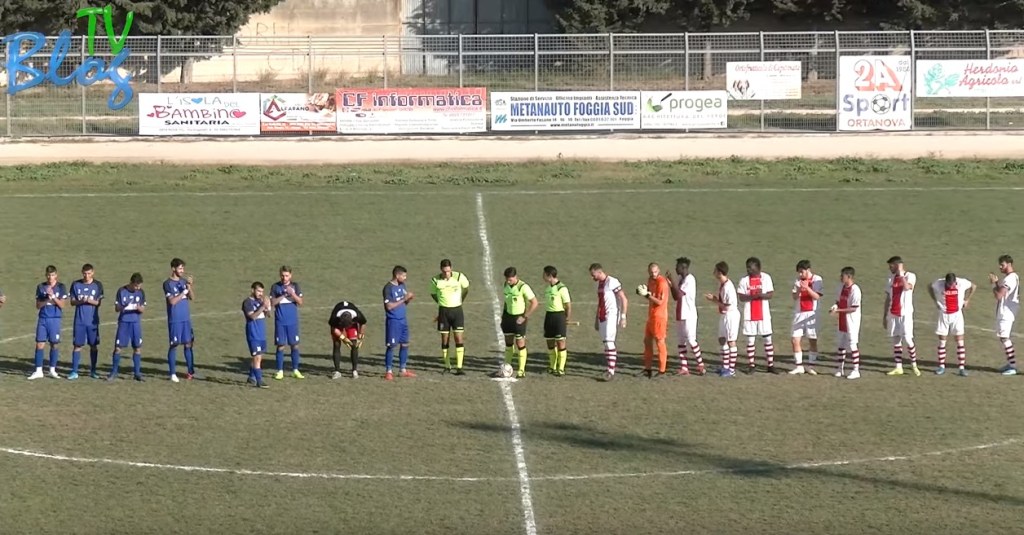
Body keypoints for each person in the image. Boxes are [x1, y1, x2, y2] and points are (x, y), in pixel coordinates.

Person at [929, 273, 976, 376]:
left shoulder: (961, 283)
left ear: (955, 282)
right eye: (949, 285)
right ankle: (941, 366)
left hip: (957, 315)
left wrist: (967, 300)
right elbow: (930, 286)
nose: (951, 287)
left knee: (960, 341)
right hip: (944, 315)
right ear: (945, 282)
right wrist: (935, 301)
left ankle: (961, 368)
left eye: (952, 285)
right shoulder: (939, 283)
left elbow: (973, 286)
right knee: (942, 342)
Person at [736, 257, 777, 373]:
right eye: (747, 267)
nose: (748, 270)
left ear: (758, 267)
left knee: (768, 339)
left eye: (751, 267)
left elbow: (770, 294)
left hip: (764, 315)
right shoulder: (744, 280)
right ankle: (751, 365)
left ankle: (770, 365)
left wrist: (760, 295)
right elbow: (741, 297)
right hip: (749, 315)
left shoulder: (766, 278)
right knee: (750, 341)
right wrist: (752, 296)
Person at [666, 257, 704, 376]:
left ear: (683, 267)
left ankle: (701, 364)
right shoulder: (680, 279)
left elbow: (679, 294)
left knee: (691, 340)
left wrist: (672, 281)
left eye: (677, 266)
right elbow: (675, 297)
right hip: (680, 313)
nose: (675, 268)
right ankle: (684, 367)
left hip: (689, 314)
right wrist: (671, 284)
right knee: (681, 341)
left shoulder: (690, 279)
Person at [430, 259, 469, 375]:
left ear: (451, 268)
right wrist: (441, 303)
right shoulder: (435, 281)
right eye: (444, 271)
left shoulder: (459, 277)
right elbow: (433, 293)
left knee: (459, 338)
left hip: (457, 311)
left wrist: (461, 300)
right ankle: (447, 366)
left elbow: (466, 289)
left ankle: (459, 367)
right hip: (444, 312)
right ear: (441, 270)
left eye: (448, 271)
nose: (446, 274)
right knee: (445, 339)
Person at [28, 265, 68, 380]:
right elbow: (38, 305)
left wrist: (53, 297)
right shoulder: (41, 287)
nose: (50, 277)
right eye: (49, 275)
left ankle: (52, 370)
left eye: (52, 275)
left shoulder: (61, 287)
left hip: (55, 319)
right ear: (46, 275)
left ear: (56, 275)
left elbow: (62, 305)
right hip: (43, 319)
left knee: (54, 344)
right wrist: (46, 299)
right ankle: (38, 371)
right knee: (39, 344)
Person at [590, 263, 628, 381]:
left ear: (599, 272)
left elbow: (624, 299)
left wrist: (623, 316)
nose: (592, 277)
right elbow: (600, 302)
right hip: (602, 316)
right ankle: (609, 368)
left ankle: (611, 371)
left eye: (593, 274)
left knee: (609, 342)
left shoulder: (612, 282)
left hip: (611, 315)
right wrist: (596, 318)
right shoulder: (600, 284)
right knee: (606, 343)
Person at [883, 256, 919, 376]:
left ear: (898, 265)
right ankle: (898, 367)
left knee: (908, 339)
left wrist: (901, 274)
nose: (890, 268)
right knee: (896, 340)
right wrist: (885, 315)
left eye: (891, 265)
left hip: (905, 313)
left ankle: (914, 364)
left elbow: (907, 287)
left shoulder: (910, 276)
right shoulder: (890, 278)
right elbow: (888, 298)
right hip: (893, 313)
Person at [109, 272, 146, 382]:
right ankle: (114, 372)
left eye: (139, 286)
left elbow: (143, 309)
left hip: (135, 323)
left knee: (137, 347)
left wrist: (138, 308)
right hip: (124, 322)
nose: (138, 288)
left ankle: (137, 373)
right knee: (118, 348)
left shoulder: (141, 292)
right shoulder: (122, 291)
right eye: (136, 286)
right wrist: (124, 306)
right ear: (131, 283)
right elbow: (116, 308)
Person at [501, 267, 538, 378]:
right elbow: (507, 302)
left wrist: (524, 316)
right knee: (508, 342)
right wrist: (504, 316)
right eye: (507, 279)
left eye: (510, 279)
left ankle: (521, 370)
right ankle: (507, 366)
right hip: (508, 317)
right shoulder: (506, 285)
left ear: (515, 277)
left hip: (519, 318)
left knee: (520, 343)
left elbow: (534, 303)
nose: (508, 281)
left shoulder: (523, 287)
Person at [705, 261, 740, 377]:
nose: (713, 273)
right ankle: (725, 366)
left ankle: (731, 370)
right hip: (724, 315)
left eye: (715, 271)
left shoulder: (728, 287)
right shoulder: (722, 284)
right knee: (722, 339)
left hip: (731, 315)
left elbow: (727, 305)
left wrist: (714, 300)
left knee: (731, 341)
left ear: (720, 272)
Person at [69, 263, 103, 380]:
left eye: (89, 273)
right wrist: (81, 301)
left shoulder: (97, 285)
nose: (86, 276)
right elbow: (72, 302)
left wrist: (89, 300)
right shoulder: (76, 284)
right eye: (84, 273)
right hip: (79, 320)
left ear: (93, 272)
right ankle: (74, 371)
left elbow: (98, 303)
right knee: (77, 345)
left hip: (92, 321)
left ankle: (93, 370)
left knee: (93, 345)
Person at [789, 260, 823, 375]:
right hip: (799, 313)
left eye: (802, 272)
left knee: (812, 340)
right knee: (795, 339)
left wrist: (807, 288)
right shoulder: (797, 281)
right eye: (799, 272)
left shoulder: (817, 279)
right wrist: (799, 289)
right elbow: (794, 297)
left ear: (808, 270)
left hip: (812, 314)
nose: (800, 274)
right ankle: (799, 366)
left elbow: (817, 296)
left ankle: (811, 366)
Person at [164, 258, 196, 382]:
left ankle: (190, 372)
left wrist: (189, 287)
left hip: (185, 318)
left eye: (183, 268)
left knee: (188, 344)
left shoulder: (183, 282)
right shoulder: (167, 284)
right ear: (173, 269)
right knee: (174, 344)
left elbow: (192, 297)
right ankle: (172, 373)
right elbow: (172, 302)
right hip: (175, 319)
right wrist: (184, 292)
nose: (182, 271)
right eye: (180, 268)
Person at [636, 262, 670, 378]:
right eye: (651, 272)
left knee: (660, 342)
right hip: (651, 316)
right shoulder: (650, 280)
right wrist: (643, 292)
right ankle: (647, 369)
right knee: (647, 341)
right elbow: (651, 294)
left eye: (655, 272)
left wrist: (647, 295)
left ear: (658, 271)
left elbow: (660, 301)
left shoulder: (662, 283)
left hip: (659, 317)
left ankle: (662, 370)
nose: (653, 274)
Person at [271, 265, 304, 380]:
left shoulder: (296, 286)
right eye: (282, 275)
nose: (284, 278)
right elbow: (272, 303)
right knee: (280, 346)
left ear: (290, 275)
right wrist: (284, 294)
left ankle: (295, 370)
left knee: (294, 345)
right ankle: (280, 371)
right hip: (280, 321)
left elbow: (300, 302)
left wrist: (292, 293)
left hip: (292, 322)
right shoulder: (275, 287)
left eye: (286, 275)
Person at [829, 267, 862, 380]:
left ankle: (856, 370)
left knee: (852, 345)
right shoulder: (841, 287)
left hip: (852, 322)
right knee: (841, 345)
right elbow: (838, 301)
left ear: (849, 277)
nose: (840, 277)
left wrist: (838, 311)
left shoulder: (855, 290)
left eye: (842, 275)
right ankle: (840, 368)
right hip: (842, 321)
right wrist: (835, 306)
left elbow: (853, 308)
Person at [383, 265, 415, 380]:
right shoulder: (388, 288)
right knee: (391, 346)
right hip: (393, 321)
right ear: (397, 275)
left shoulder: (402, 285)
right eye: (404, 276)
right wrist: (404, 299)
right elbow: (389, 306)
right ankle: (389, 371)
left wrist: (408, 299)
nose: (405, 278)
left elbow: (404, 303)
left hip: (403, 320)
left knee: (405, 344)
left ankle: (403, 370)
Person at [990, 255, 1020, 375]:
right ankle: (1010, 364)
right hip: (1006, 311)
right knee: (1004, 338)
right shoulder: (1012, 277)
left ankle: (1012, 366)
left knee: (1005, 338)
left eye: (1002, 264)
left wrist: (993, 284)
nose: (1000, 267)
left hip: (1006, 313)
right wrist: (997, 283)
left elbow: (998, 296)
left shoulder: (1009, 279)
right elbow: (1002, 293)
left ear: (1009, 264)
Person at [542, 266, 572, 376]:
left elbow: (568, 305)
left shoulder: (562, 288)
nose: (543, 277)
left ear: (549, 276)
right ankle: (552, 366)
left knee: (560, 342)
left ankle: (561, 368)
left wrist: (567, 318)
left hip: (559, 316)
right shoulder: (548, 289)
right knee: (550, 342)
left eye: (544, 275)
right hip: (549, 316)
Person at [329, 300, 367, 379]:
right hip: (337, 325)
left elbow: (363, 323)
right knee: (336, 344)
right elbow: (333, 329)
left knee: (354, 344)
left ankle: (354, 370)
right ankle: (337, 371)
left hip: (352, 323)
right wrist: (343, 338)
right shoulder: (335, 317)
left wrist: (361, 337)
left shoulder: (357, 315)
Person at [242, 282, 270, 388]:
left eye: (262, 291)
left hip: (261, 333)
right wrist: (263, 306)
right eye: (258, 291)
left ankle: (251, 376)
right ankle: (259, 381)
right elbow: (252, 317)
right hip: (253, 333)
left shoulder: (260, 301)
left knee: (258, 357)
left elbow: (268, 315)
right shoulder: (247, 302)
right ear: (252, 290)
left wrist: (267, 306)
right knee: (257, 358)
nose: (260, 293)